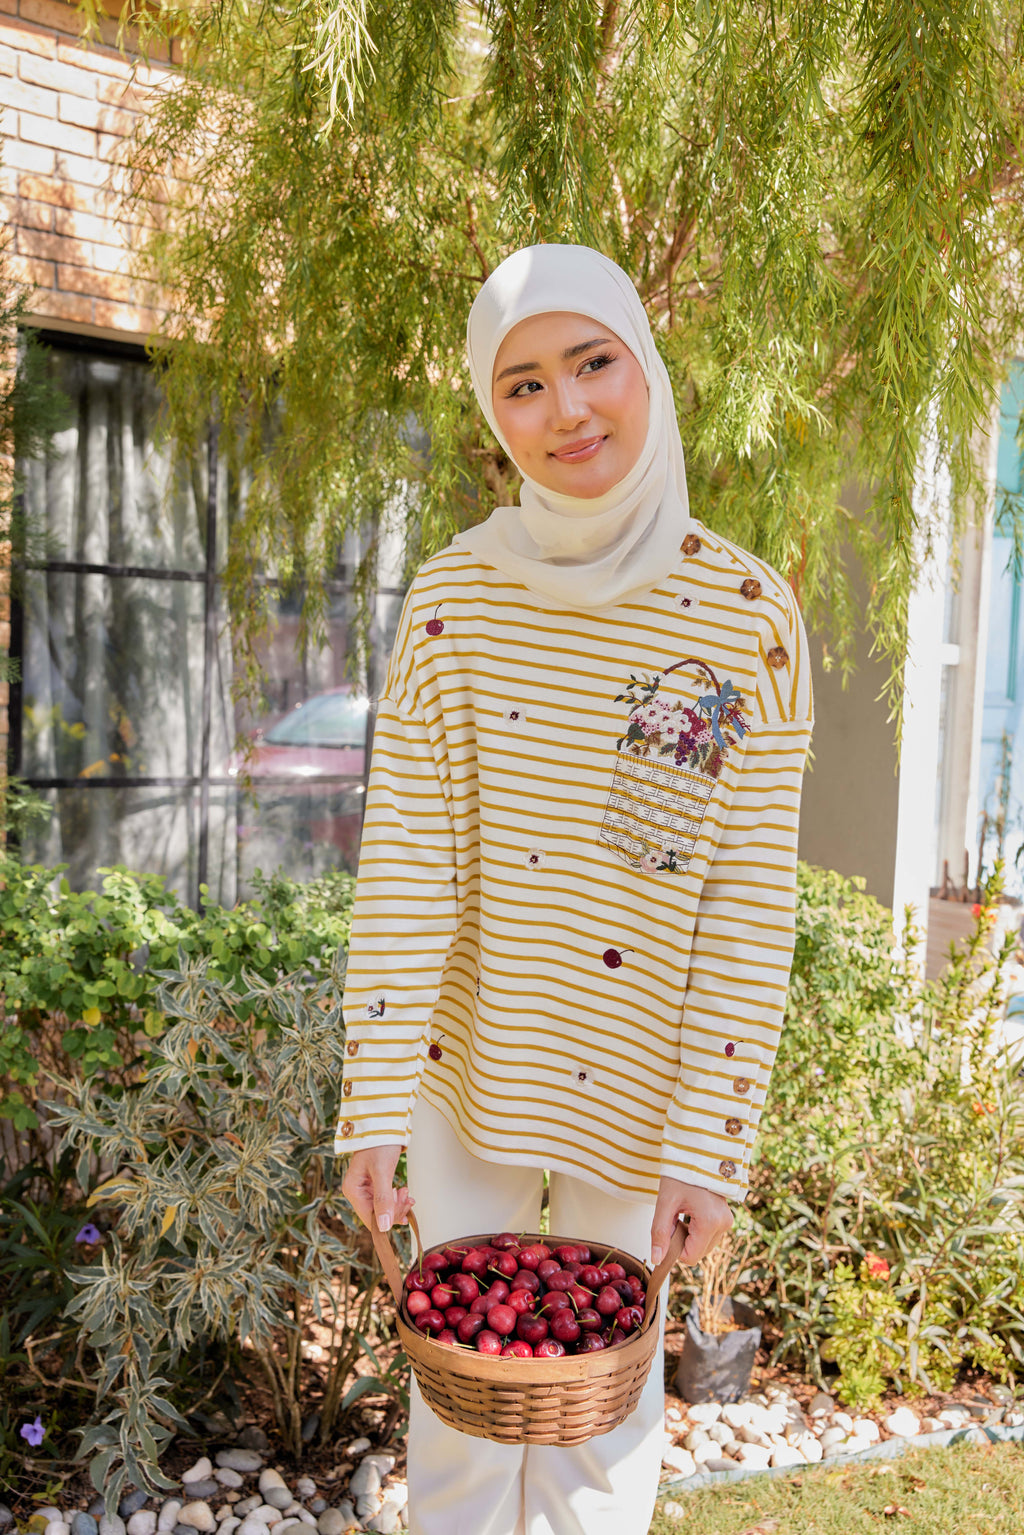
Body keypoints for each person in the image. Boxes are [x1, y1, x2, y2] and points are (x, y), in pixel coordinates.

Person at [338, 243, 813, 1535]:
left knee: (602, 1432)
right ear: (497, 418)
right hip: (467, 1052)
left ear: (645, 368)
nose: (569, 411)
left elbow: (745, 903)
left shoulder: (750, 621)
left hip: (642, 1067)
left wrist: (713, 1143)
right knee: (460, 1417)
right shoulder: (451, 605)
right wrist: (373, 1104)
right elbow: (408, 864)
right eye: (525, 385)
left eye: (593, 362)